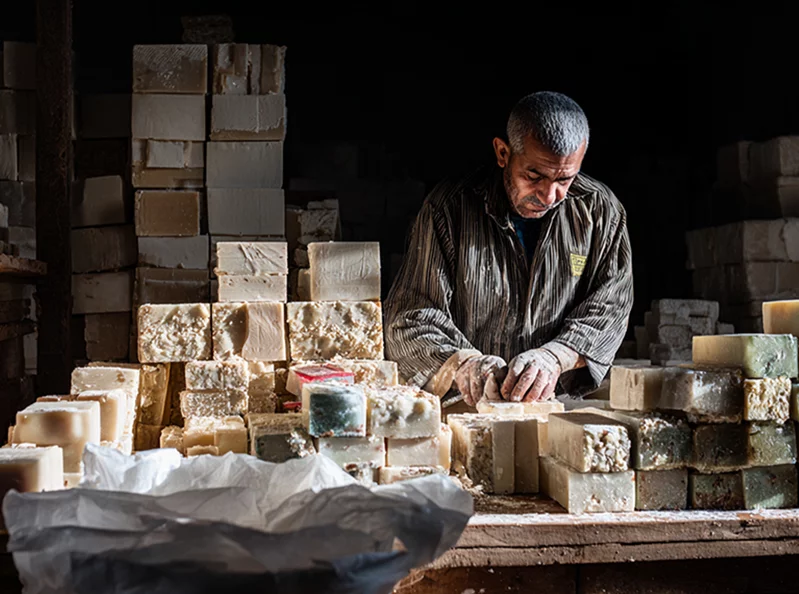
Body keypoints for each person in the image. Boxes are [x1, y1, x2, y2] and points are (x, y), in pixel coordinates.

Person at [384, 91, 633, 408]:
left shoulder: (600, 211)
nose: (548, 195)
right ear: (503, 152)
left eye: (565, 179)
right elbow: (410, 316)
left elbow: (611, 307)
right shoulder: (449, 208)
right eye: (534, 175)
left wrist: (555, 357)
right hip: (466, 409)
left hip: (555, 408)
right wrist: (464, 365)